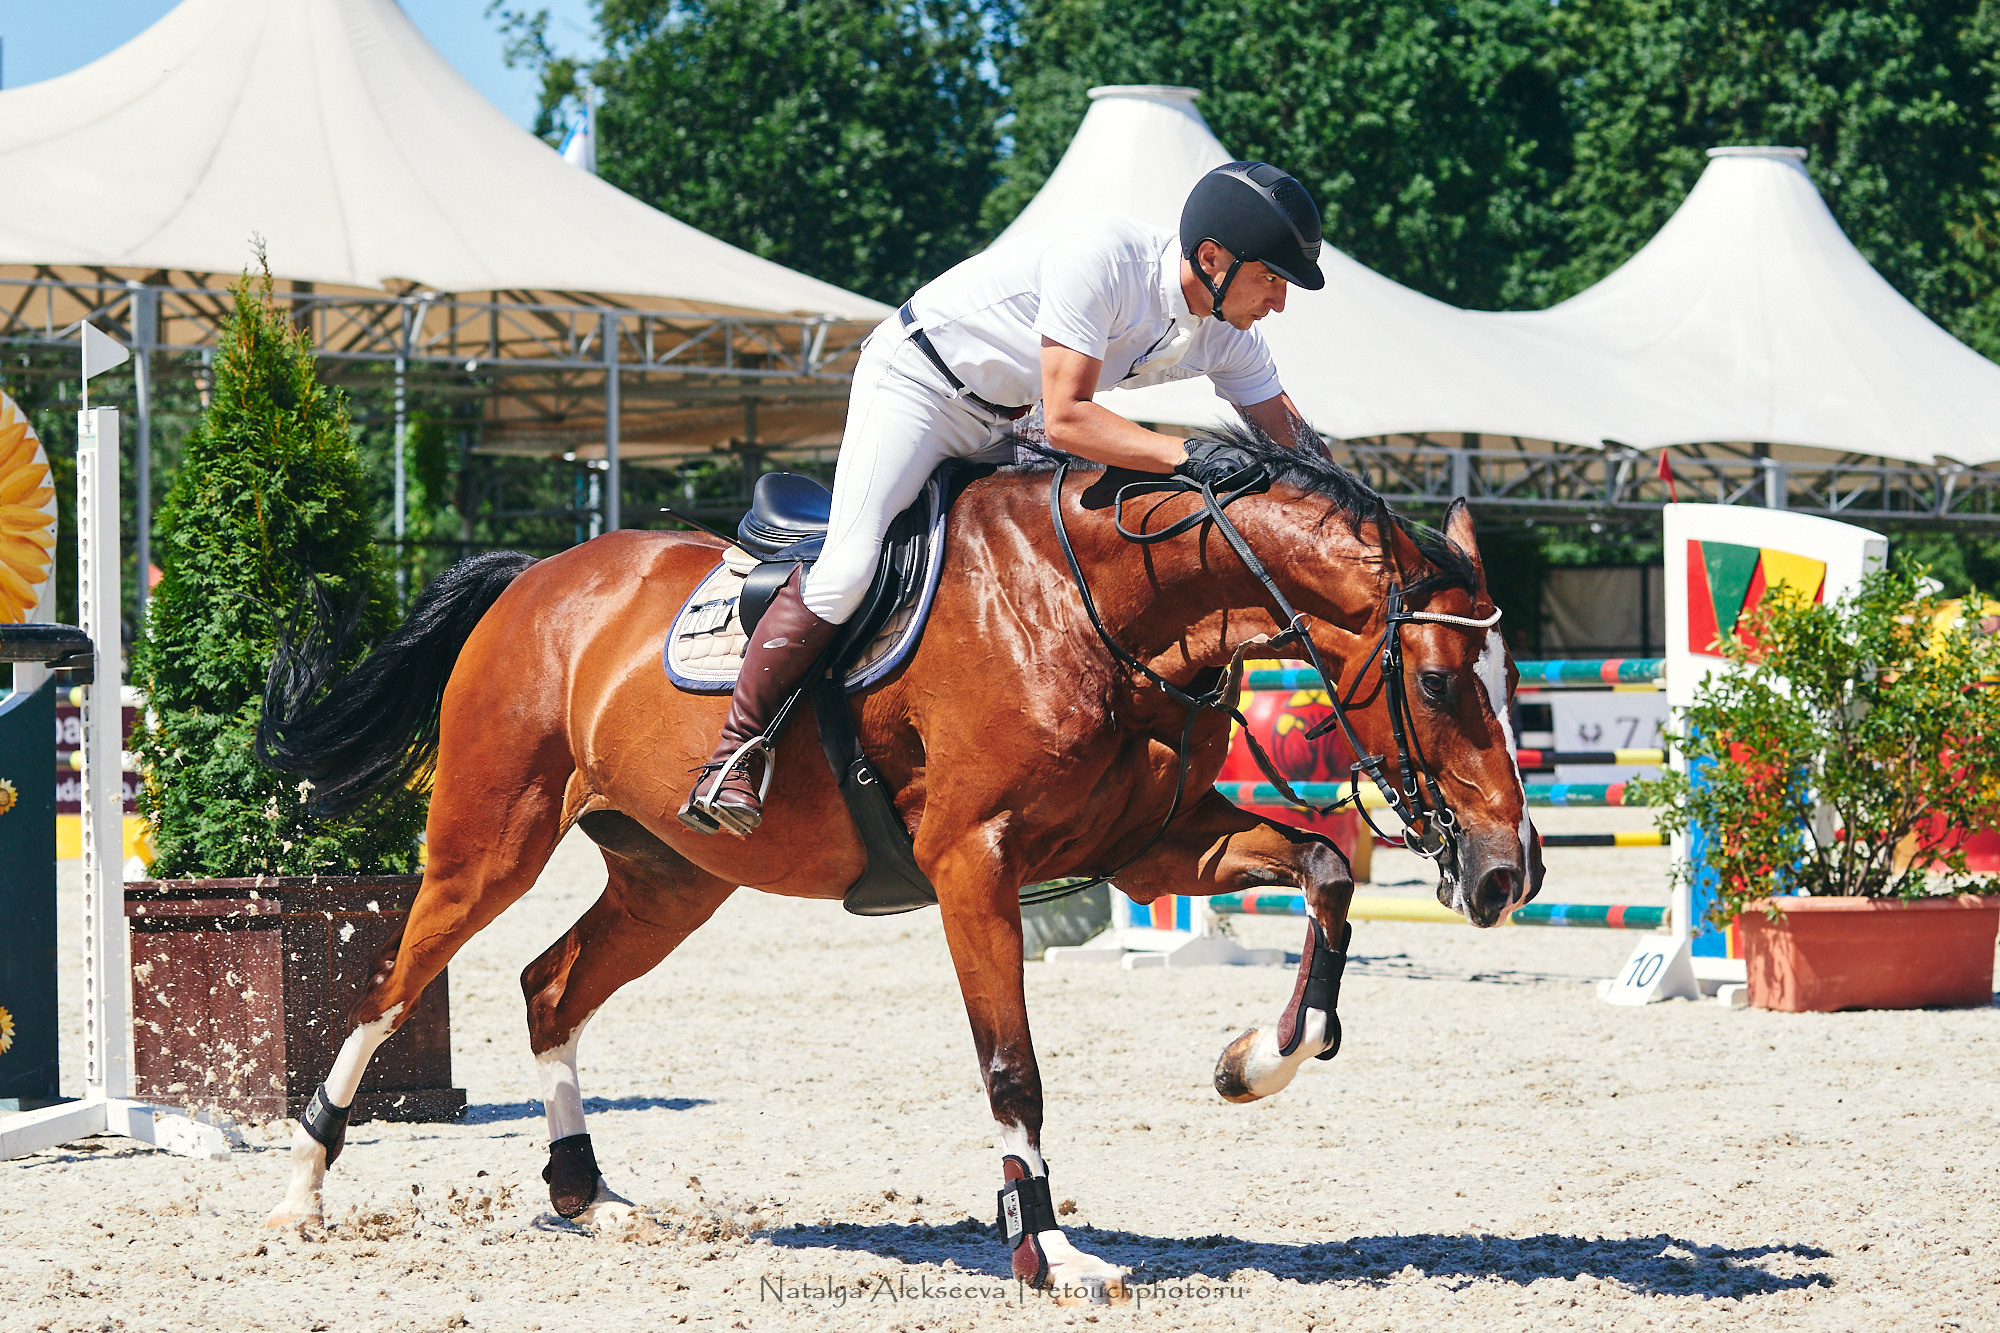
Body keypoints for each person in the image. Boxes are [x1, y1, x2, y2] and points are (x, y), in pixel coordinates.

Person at [680, 160, 1326, 836]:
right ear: (1213, 257)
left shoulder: (1226, 330)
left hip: (1006, 415)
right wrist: (1188, 455)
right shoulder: (1103, 260)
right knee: (848, 569)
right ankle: (735, 752)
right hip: (919, 387)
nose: (1278, 303)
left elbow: (1301, 449)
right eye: (1272, 280)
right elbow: (1068, 417)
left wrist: (1371, 529)